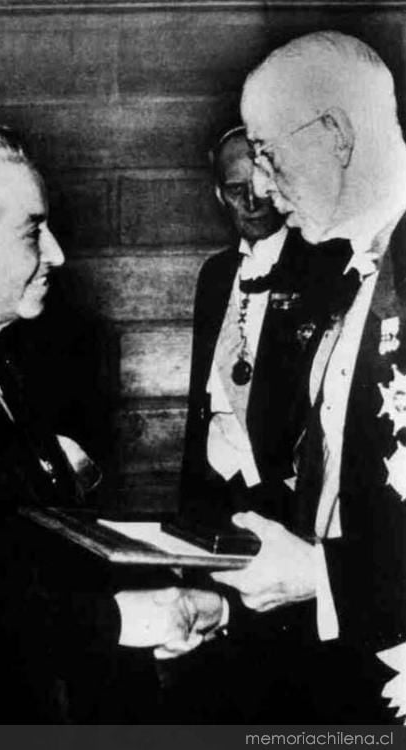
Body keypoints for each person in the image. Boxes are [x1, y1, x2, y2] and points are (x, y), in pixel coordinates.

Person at [0, 117, 226, 722]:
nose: (57, 253)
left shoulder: (3, 375)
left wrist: (147, 607)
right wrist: (120, 620)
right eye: (32, 231)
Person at [209, 31, 406, 723]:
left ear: (335, 135)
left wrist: (319, 574)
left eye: (266, 153)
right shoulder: (345, 270)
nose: (260, 185)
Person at [179, 125, 348, 539]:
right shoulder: (215, 275)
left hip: (283, 495)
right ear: (219, 195)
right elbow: (200, 403)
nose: (251, 202)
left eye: (259, 185)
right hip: (215, 486)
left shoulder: (323, 266)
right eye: (236, 190)